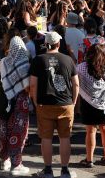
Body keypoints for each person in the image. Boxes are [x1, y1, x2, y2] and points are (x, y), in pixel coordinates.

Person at [29, 31, 78, 178]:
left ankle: (48, 170)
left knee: (46, 138)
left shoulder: (38, 60)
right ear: (58, 44)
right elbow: (75, 83)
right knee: (65, 138)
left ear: (46, 44)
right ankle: (65, 170)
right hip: (66, 103)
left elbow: (32, 84)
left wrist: (35, 102)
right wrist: (74, 102)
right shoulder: (68, 60)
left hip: (44, 104)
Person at [0, 36, 31, 175]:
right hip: (20, 102)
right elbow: (27, 87)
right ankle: (16, 164)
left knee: (4, 130)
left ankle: (4, 160)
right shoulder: (25, 64)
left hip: (5, 100)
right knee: (18, 131)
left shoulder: (3, 62)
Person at [76, 43, 105, 168]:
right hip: (104, 102)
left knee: (90, 131)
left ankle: (89, 159)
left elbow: (76, 82)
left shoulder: (81, 67)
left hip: (87, 102)